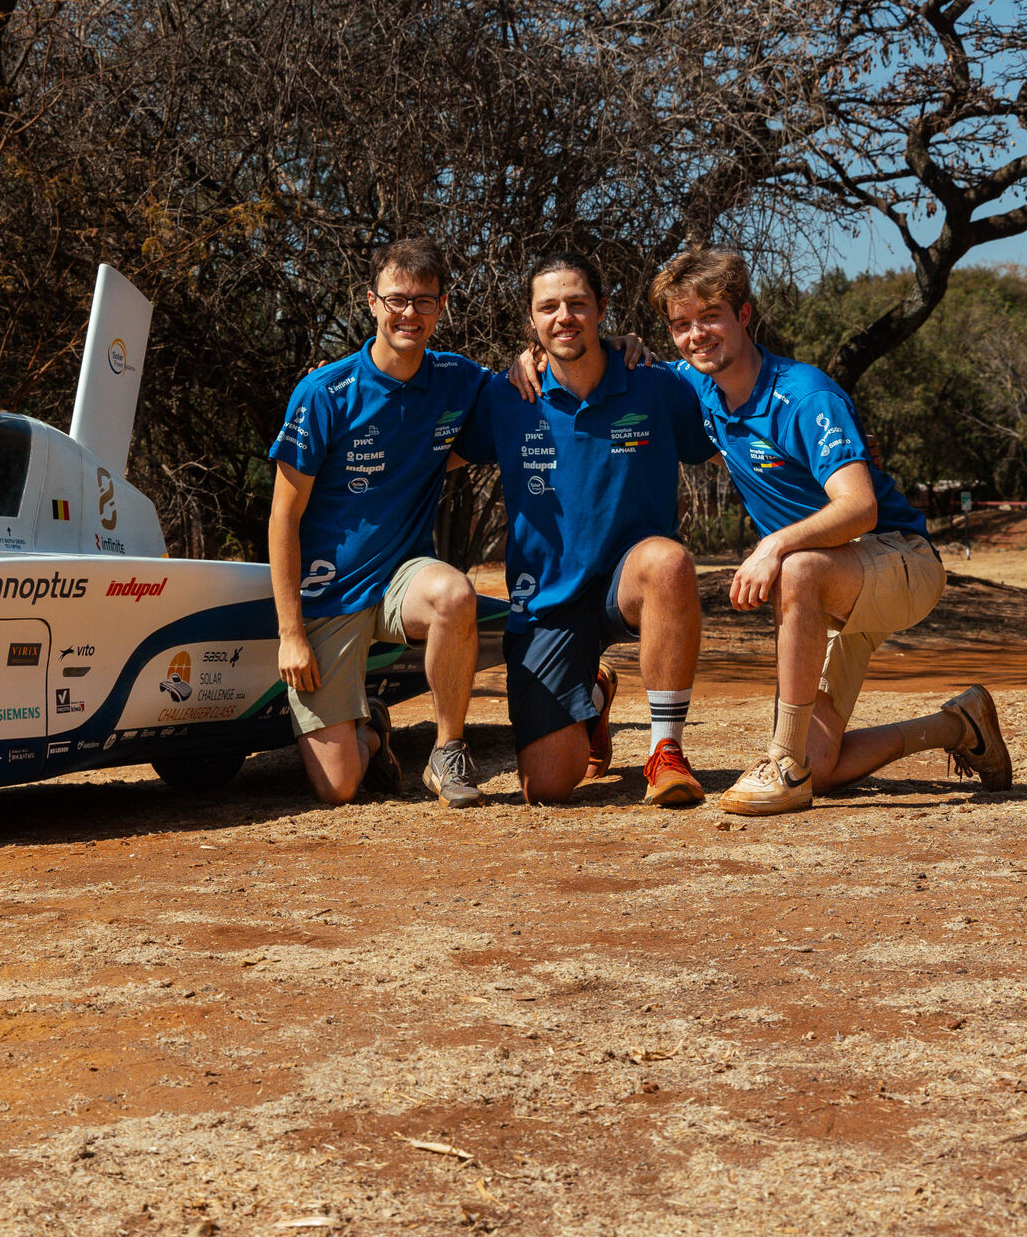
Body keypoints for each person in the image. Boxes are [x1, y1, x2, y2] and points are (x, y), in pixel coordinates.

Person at [647, 247, 1011, 815]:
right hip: (827, 589)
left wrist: (775, 542)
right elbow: (616, 363)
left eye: (710, 316)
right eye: (680, 324)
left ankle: (783, 765)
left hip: (899, 560)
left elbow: (860, 508)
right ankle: (958, 726)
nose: (696, 335)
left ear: (743, 314)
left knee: (797, 566)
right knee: (830, 767)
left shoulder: (806, 394)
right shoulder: (698, 387)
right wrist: (544, 358)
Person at [464, 251, 713, 806]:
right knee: (548, 785)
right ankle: (594, 699)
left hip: (629, 580)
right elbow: (438, 450)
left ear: (602, 310)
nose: (564, 317)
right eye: (548, 307)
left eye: (578, 303)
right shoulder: (505, 396)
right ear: (532, 321)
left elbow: (726, 444)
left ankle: (665, 752)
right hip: (547, 600)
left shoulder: (656, 385)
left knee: (668, 561)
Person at [268, 236, 489, 808]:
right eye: (396, 299)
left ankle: (447, 753)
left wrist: (615, 346)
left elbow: (535, 381)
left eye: (422, 301)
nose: (408, 313)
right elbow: (282, 519)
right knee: (337, 787)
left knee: (456, 595)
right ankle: (371, 731)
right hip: (329, 593)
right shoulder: (324, 393)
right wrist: (291, 633)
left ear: (441, 307)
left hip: (401, 580)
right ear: (371, 303)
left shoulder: (460, 381)